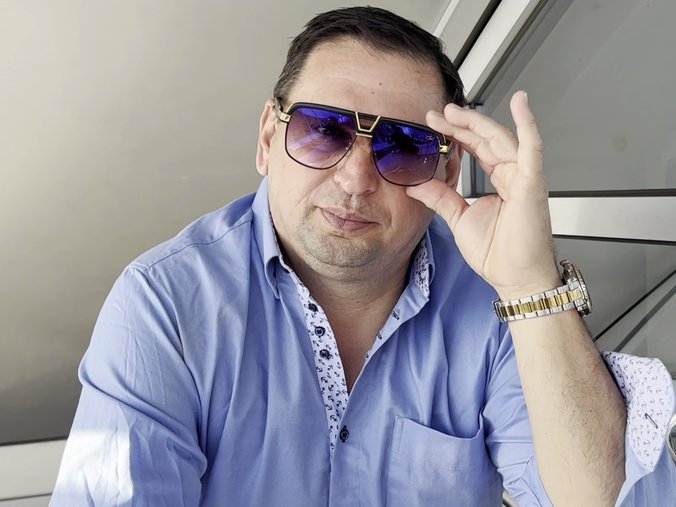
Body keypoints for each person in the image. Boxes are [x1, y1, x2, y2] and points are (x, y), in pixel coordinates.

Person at [51, 6, 675, 506]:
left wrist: (531, 282)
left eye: (402, 146)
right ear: (268, 138)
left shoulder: (495, 302)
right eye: (323, 131)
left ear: (446, 170)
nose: (356, 180)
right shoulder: (164, 303)